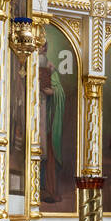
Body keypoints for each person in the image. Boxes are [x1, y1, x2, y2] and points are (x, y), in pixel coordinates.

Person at [39, 40, 67, 205]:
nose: (41, 49)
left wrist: (52, 92)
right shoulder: (22, 63)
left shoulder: (50, 68)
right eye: (39, 45)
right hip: (31, 113)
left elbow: (60, 91)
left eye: (44, 46)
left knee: (45, 152)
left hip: (45, 116)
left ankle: (45, 188)